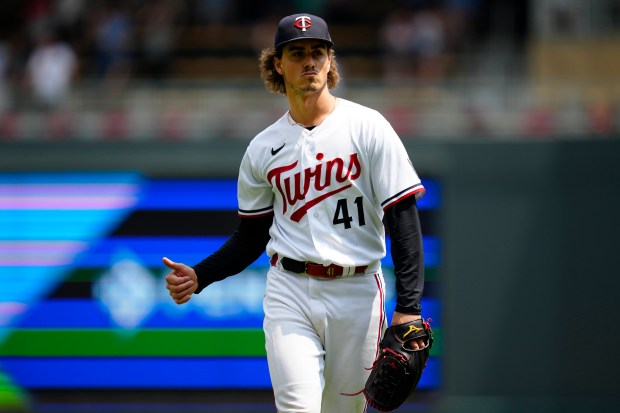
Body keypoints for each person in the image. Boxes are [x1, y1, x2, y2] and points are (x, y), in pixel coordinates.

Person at [164, 12, 428, 413]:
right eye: (298, 52)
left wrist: (409, 305)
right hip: (289, 290)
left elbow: (403, 221)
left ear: (330, 61)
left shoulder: (368, 128)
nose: (310, 61)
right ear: (277, 64)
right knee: (298, 408)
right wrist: (202, 275)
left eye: (318, 52)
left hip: (357, 290)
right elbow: (251, 237)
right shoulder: (262, 148)